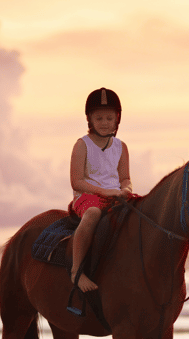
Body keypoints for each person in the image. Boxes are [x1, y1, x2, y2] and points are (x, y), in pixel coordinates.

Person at [68, 87, 132, 295]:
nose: (105, 122)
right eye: (99, 118)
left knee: (145, 212)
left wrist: (126, 190)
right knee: (93, 214)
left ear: (117, 119)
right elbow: (77, 182)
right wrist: (107, 193)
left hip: (115, 195)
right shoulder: (82, 145)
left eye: (109, 118)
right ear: (90, 120)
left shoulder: (121, 147)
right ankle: (77, 271)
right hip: (87, 197)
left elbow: (125, 178)